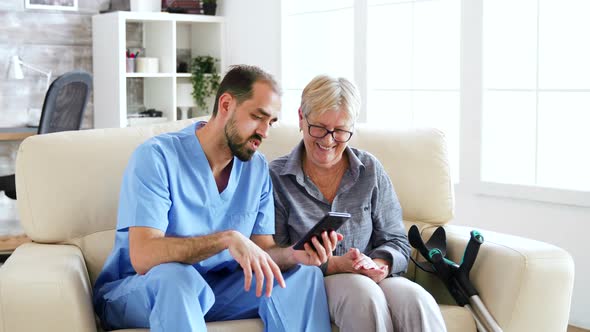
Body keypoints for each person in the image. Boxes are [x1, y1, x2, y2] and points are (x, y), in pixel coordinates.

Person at [93, 65, 338, 332]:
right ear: (226, 104)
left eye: (271, 122)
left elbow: (263, 251)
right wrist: (226, 239)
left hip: (217, 291)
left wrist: (294, 255)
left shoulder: (256, 169)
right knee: (177, 277)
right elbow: (143, 256)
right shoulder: (156, 157)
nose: (265, 132)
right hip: (143, 289)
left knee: (303, 275)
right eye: (258, 117)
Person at [269, 75, 447, 332]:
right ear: (301, 117)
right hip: (314, 281)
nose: (328, 141)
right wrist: (337, 265)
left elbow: (397, 240)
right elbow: (275, 256)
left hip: (373, 275)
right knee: (363, 295)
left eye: (340, 131)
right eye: (318, 127)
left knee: (416, 299)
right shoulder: (276, 177)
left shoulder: (369, 170)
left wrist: (380, 265)